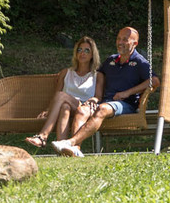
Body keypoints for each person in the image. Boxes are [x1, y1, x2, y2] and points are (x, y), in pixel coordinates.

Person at [48, 26, 154, 157]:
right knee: (82, 110)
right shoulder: (111, 60)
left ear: (135, 43)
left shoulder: (140, 62)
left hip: (125, 104)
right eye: (118, 39)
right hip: (104, 102)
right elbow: (94, 75)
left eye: (125, 40)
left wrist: (128, 92)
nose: (120, 42)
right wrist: (69, 75)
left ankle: (70, 142)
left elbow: (154, 81)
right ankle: (75, 149)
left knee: (103, 109)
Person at [26, 38, 101, 149]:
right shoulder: (66, 72)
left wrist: (95, 99)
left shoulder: (97, 75)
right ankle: (62, 148)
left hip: (84, 107)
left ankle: (43, 136)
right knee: (64, 106)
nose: (82, 53)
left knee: (62, 96)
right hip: (66, 106)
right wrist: (48, 109)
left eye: (86, 50)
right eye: (79, 50)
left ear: (92, 55)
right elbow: (56, 95)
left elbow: (98, 96)